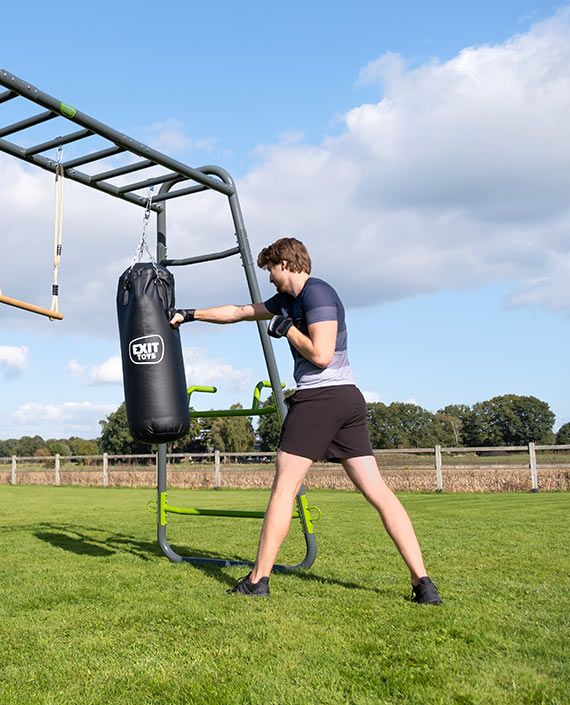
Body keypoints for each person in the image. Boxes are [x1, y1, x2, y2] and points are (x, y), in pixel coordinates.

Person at [170, 237, 442, 605]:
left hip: (322, 398)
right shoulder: (288, 301)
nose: (269, 278)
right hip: (345, 401)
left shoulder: (318, 295)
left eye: (271, 269)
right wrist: (190, 315)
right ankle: (422, 584)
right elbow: (238, 311)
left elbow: (322, 355)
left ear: (286, 263)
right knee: (376, 492)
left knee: (284, 487)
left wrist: (288, 330)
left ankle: (258, 579)